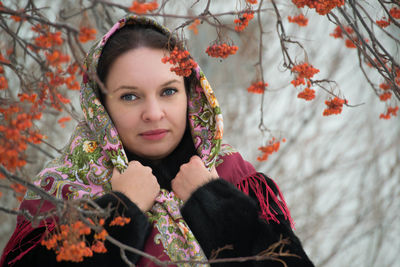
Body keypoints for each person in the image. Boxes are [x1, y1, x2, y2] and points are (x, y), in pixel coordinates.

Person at [1, 15, 314, 267]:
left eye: (168, 91)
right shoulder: (62, 192)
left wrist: (216, 205)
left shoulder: (233, 176)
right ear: (100, 106)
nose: (153, 113)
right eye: (130, 96)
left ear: (191, 95)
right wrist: (117, 212)